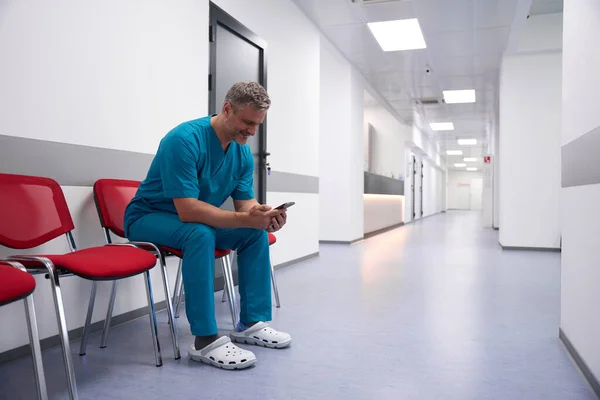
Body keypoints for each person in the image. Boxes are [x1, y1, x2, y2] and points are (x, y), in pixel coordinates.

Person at [124, 81, 291, 370]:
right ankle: (205, 340)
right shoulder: (184, 139)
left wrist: (263, 215)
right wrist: (245, 217)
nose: (252, 132)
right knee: (199, 234)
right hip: (148, 217)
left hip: (188, 220)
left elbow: (245, 207)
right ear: (227, 109)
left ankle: (252, 323)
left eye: (257, 125)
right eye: (247, 122)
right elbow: (187, 209)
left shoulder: (240, 154)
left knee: (254, 234)